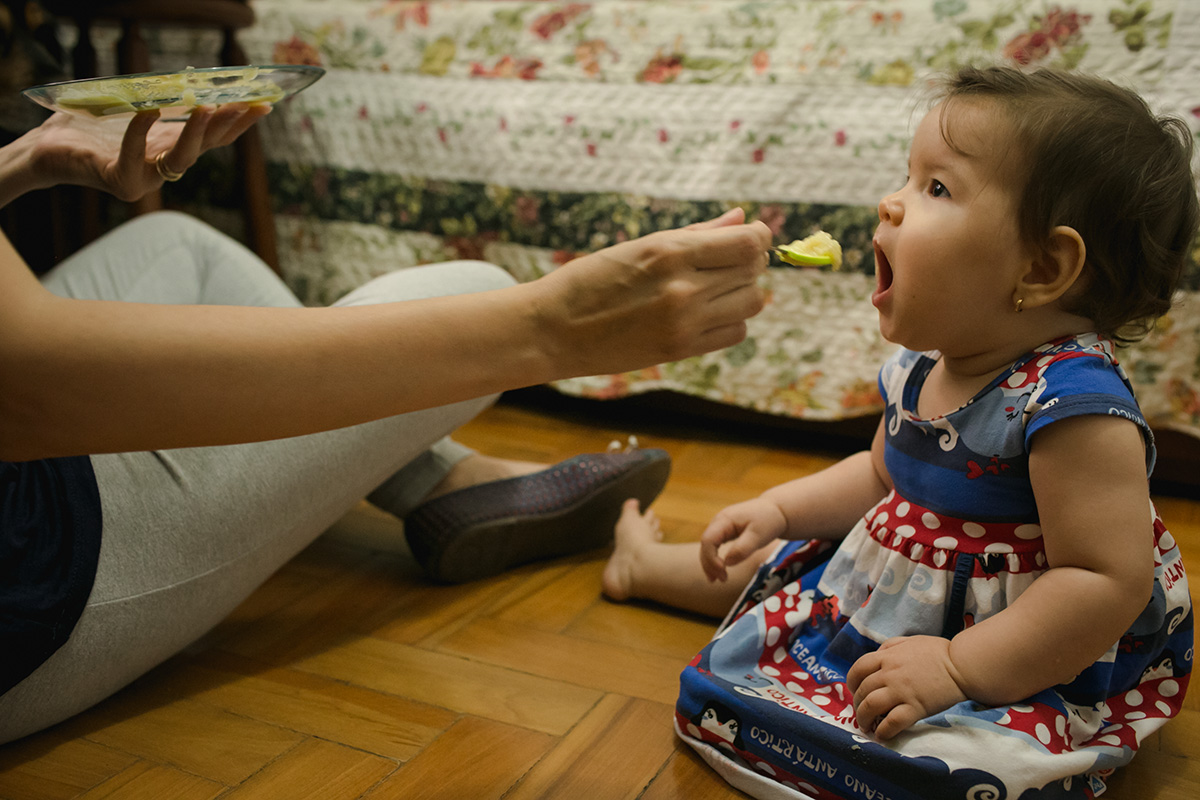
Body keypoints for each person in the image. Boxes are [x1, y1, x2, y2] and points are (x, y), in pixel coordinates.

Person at [0, 101, 772, 744]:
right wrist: (547, 327)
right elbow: (26, 392)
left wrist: (23, 159)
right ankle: (445, 478)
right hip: (35, 575)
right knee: (475, 284)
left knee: (178, 247)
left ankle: (447, 480)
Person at [602, 65, 1197, 799]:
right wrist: (780, 510)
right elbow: (884, 475)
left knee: (968, 776)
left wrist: (958, 669)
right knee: (769, 571)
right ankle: (638, 565)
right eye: (908, 178)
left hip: (1016, 647)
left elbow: (1104, 581)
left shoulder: (1073, 408)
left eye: (937, 188)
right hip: (889, 583)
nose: (892, 201)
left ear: (1042, 267)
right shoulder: (920, 368)